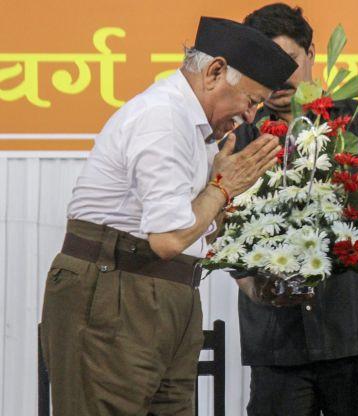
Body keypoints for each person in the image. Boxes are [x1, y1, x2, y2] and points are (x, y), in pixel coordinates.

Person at [39, 16, 297, 416]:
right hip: (116, 293)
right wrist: (224, 188)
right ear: (214, 72)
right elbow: (169, 238)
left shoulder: (200, 132)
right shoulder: (162, 117)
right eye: (251, 100)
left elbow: (199, 226)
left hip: (166, 297)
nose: (250, 116)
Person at [229, 4, 358, 415]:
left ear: (311, 54)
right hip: (277, 342)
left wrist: (347, 241)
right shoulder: (240, 140)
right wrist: (256, 284)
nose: (276, 76)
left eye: (287, 61)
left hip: (356, 335)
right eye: (262, 63)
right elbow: (225, 232)